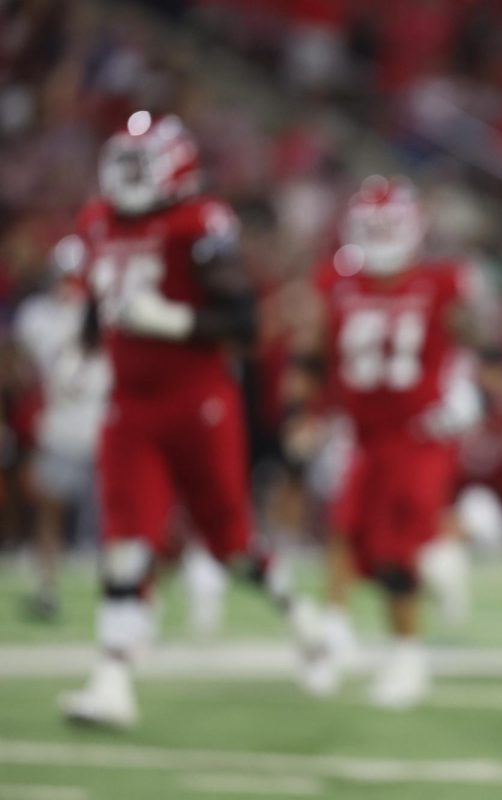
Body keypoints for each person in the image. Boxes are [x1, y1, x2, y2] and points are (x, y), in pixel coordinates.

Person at [59, 112, 318, 729]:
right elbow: (101, 305)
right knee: (127, 540)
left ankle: (302, 618)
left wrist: (171, 321)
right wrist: (83, 348)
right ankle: (112, 680)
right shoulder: (96, 221)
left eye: (138, 165)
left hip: (198, 403)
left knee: (229, 540)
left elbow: (246, 325)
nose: (126, 178)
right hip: (129, 405)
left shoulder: (199, 220)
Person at [286, 175, 487, 707]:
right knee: (347, 532)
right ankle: (339, 630)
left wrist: (472, 390)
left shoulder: (441, 282)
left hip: (419, 434)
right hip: (364, 433)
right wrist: (307, 412)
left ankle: (407, 657)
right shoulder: (337, 282)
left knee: (395, 550)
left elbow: (484, 344)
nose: (377, 236)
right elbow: (314, 354)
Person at [11, 252, 111, 621]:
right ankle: (47, 589)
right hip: (61, 427)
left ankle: (120, 595)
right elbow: (19, 365)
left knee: (116, 520)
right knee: (49, 512)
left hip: (105, 426)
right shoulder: (38, 316)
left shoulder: (102, 310)